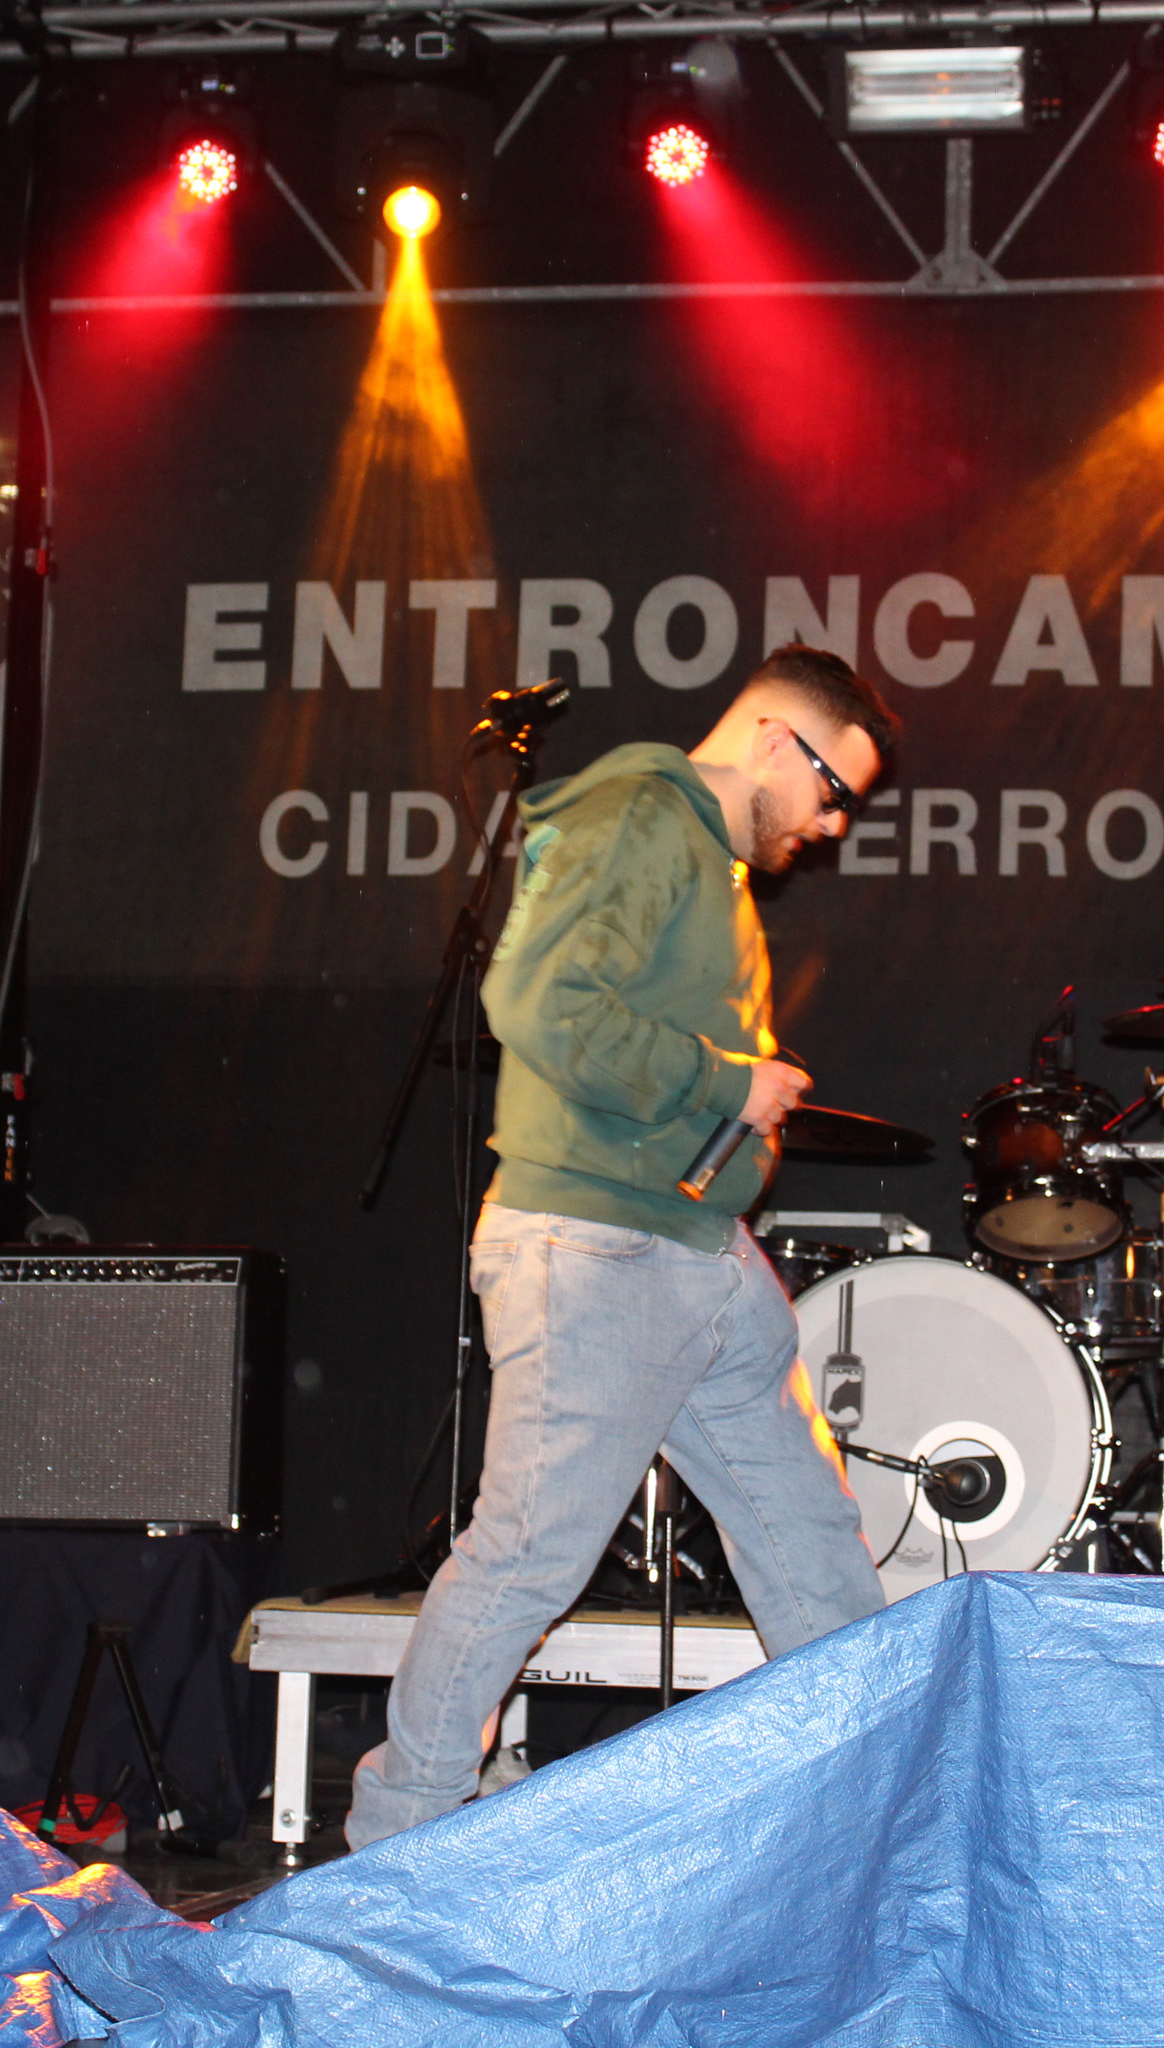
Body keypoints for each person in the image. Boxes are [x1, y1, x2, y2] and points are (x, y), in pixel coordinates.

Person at [344, 644, 901, 1849]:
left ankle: (879, 1820)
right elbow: (536, 1002)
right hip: (600, 1244)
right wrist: (728, 1082)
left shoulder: (708, 860)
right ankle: (396, 1845)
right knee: (525, 1555)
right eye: (831, 791)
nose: (833, 823)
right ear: (772, 737)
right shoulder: (638, 813)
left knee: (811, 1541)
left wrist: (736, 1104)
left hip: (693, 1248)